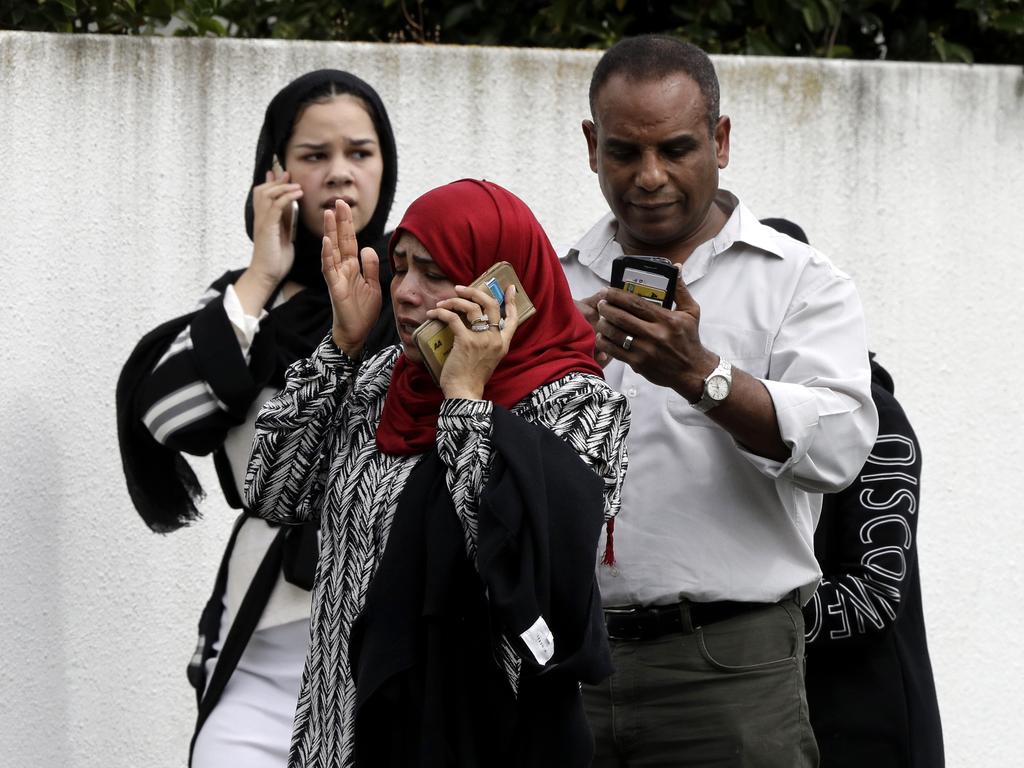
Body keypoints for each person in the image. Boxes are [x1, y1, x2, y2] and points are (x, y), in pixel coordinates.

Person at [559, 35, 879, 766]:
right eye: (623, 153)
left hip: (730, 667)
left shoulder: (798, 280)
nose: (649, 177)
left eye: (676, 149)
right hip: (567, 661)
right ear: (590, 144)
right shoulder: (553, 282)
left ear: (721, 139)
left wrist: (702, 375)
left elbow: (839, 447)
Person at [245, 179, 630, 768]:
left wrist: (466, 401)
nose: (405, 293)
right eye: (399, 268)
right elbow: (272, 490)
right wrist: (342, 347)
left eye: (434, 272)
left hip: (473, 737)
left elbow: (528, 571)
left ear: (500, 285)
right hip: (341, 733)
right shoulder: (383, 380)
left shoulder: (578, 403)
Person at [115, 70, 399, 767]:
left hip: (391, 638)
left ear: (386, 167)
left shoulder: (418, 291)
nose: (339, 174)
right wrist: (261, 273)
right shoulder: (246, 309)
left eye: (360, 153)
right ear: (276, 171)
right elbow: (168, 414)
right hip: (262, 646)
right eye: (314, 155)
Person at [761, 214, 945, 767]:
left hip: (870, 723)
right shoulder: (749, 412)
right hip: (783, 712)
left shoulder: (876, 418)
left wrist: (738, 628)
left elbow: (876, 592)